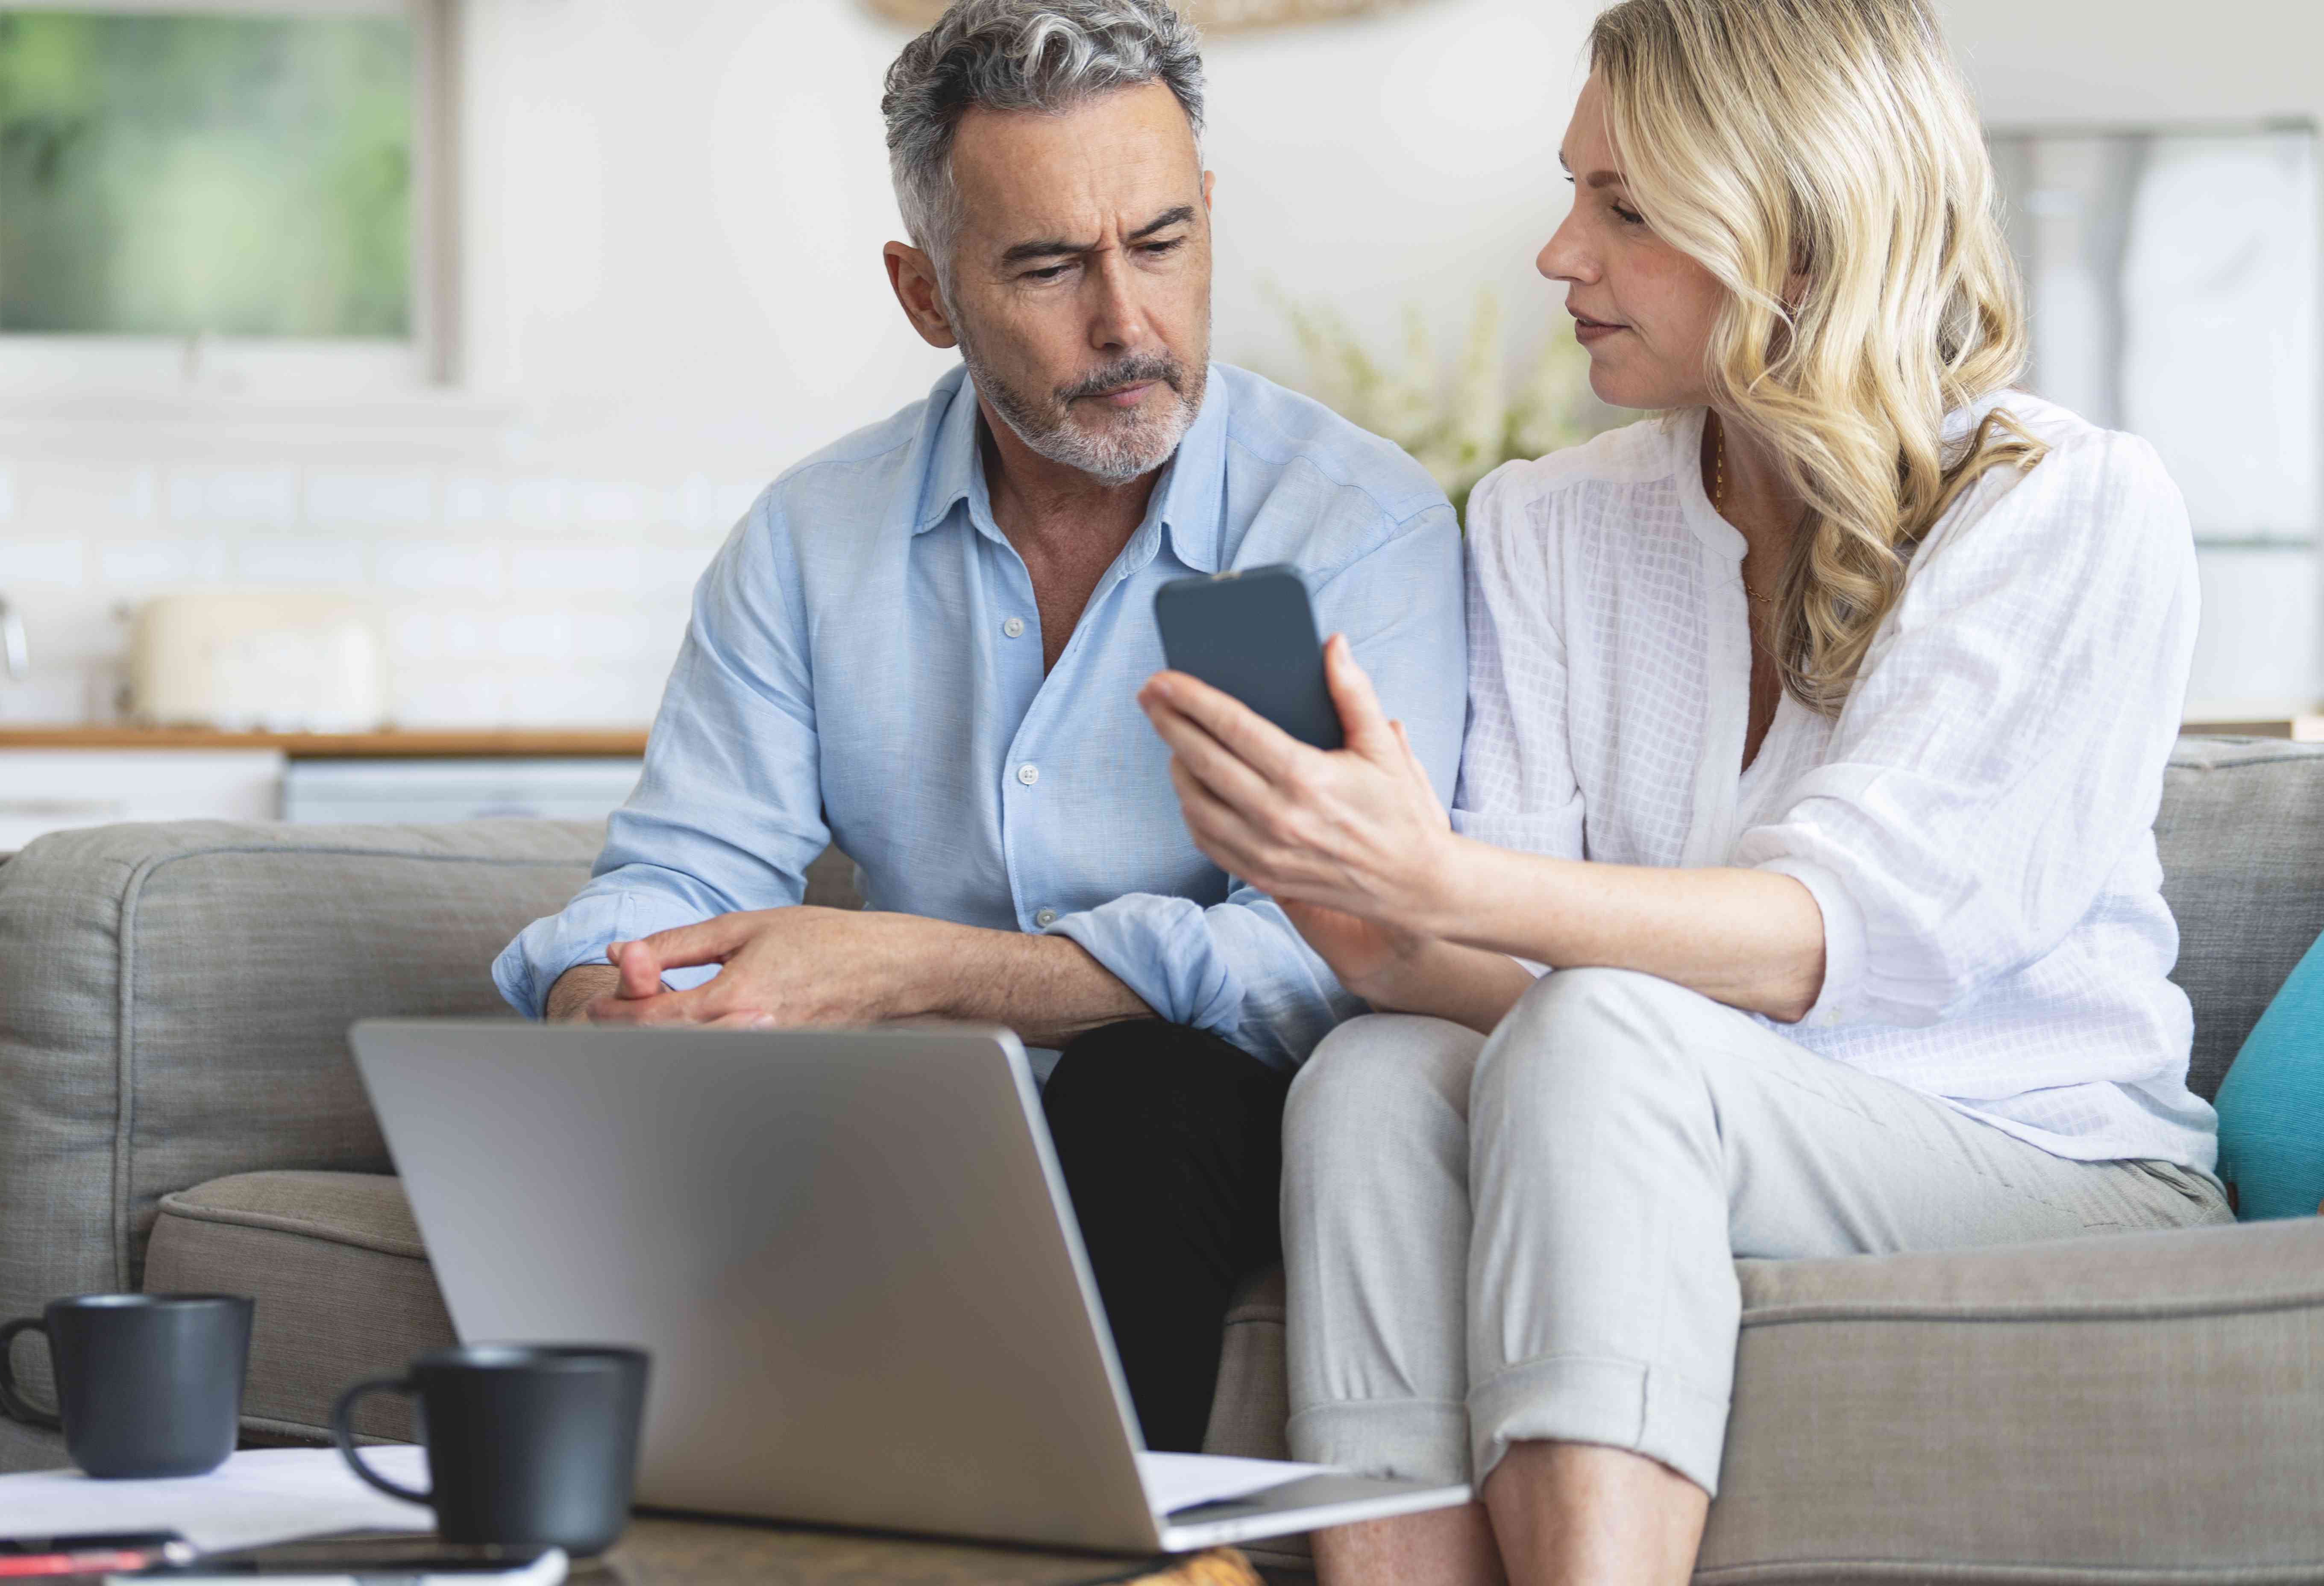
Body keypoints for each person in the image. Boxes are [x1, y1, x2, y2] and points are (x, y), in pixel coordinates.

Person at [1136, 0, 2233, 1579]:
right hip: (1665, 1111)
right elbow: (1493, 974)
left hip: (2041, 1158)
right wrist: (1361, 911)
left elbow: (1839, 941)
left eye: (1626, 210)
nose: (1559, 255)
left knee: (1606, 1030)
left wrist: (1439, 878)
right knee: (1374, 1072)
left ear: (1799, 235)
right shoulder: (1544, 524)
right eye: (1575, 190)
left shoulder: (2068, 506)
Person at [491, 0, 1466, 1456]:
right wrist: (614, 996)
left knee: (1156, 1096)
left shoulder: (1340, 531)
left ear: (1209, 220)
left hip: (1223, 1112)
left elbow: (1314, 959)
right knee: (663, 1116)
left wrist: (914, 971)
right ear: (926, 294)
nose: (1127, 323)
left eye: (1160, 243)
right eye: (1049, 267)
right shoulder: (815, 540)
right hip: (911, 1111)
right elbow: (680, 875)